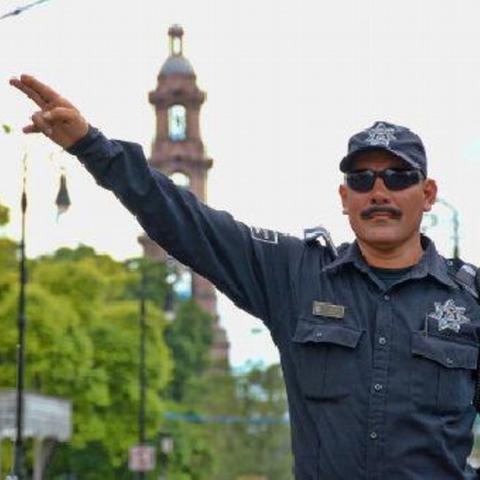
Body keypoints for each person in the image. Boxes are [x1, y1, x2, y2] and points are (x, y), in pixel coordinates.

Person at [10, 74, 480, 479]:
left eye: (398, 177)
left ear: (429, 193)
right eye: (362, 180)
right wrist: (92, 146)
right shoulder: (297, 275)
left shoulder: (469, 301)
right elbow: (186, 222)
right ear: (344, 196)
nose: (379, 191)